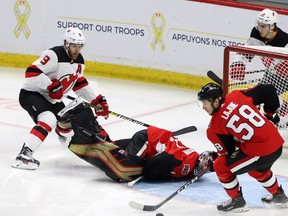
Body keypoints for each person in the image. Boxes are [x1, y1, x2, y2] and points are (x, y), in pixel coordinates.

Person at [12, 27, 109, 170]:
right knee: (49, 119)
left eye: (80, 46)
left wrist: (95, 101)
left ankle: (63, 135)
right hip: (32, 94)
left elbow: (79, 83)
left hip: (53, 99)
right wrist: (50, 86)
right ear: (66, 44)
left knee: (68, 119)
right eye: (74, 46)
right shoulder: (53, 54)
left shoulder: (80, 61)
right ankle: (24, 155)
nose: (77, 50)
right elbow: (31, 72)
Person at [56, 98, 217, 182]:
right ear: (204, 157)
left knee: (110, 146)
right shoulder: (187, 165)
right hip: (147, 141)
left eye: (209, 169)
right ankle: (81, 119)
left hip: (149, 139)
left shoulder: (191, 159)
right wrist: (149, 173)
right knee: (126, 168)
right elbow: (156, 164)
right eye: (207, 164)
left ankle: (80, 114)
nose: (205, 168)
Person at [197, 82, 288, 213]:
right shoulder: (236, 95)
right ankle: (279, 197)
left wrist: (213, 162)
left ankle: (237, 202)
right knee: (255, 169)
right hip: (277, 143)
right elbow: (268, 90)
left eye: (205, 103)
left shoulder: (214, 128)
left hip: (261, 151)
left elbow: (228, 154)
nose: (203, 107)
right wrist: (270, 116)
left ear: (216, 101)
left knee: (220, 166)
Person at [230, 8, 288, 117]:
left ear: (272, 26)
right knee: (259, 98)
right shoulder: (256, 34)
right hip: (272, 75)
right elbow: (245, 53)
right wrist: (238, 64)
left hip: (286, 77)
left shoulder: (284, 42)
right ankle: (281, 108)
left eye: (263, 26)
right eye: (259, 25)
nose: (260, 29)